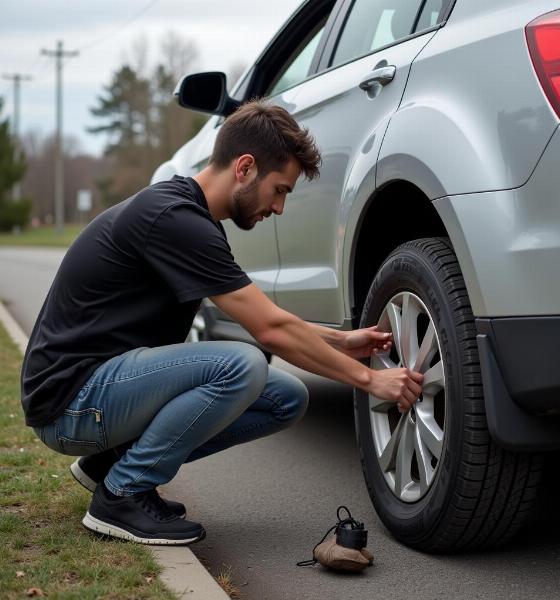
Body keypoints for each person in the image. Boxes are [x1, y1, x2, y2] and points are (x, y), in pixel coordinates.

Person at [20, 99, 424, 545]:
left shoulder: (192, 219)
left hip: (101, 388)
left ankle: (110, 465)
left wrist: (341, 341)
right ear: (245, 167)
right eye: (281, 190)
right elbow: (268, 331)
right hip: (70, 403)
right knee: (242, 365)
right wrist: (369, 380)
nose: (279, 207)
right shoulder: (174, 220)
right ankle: (123, 493)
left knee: (286, 397)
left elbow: (264, 316)